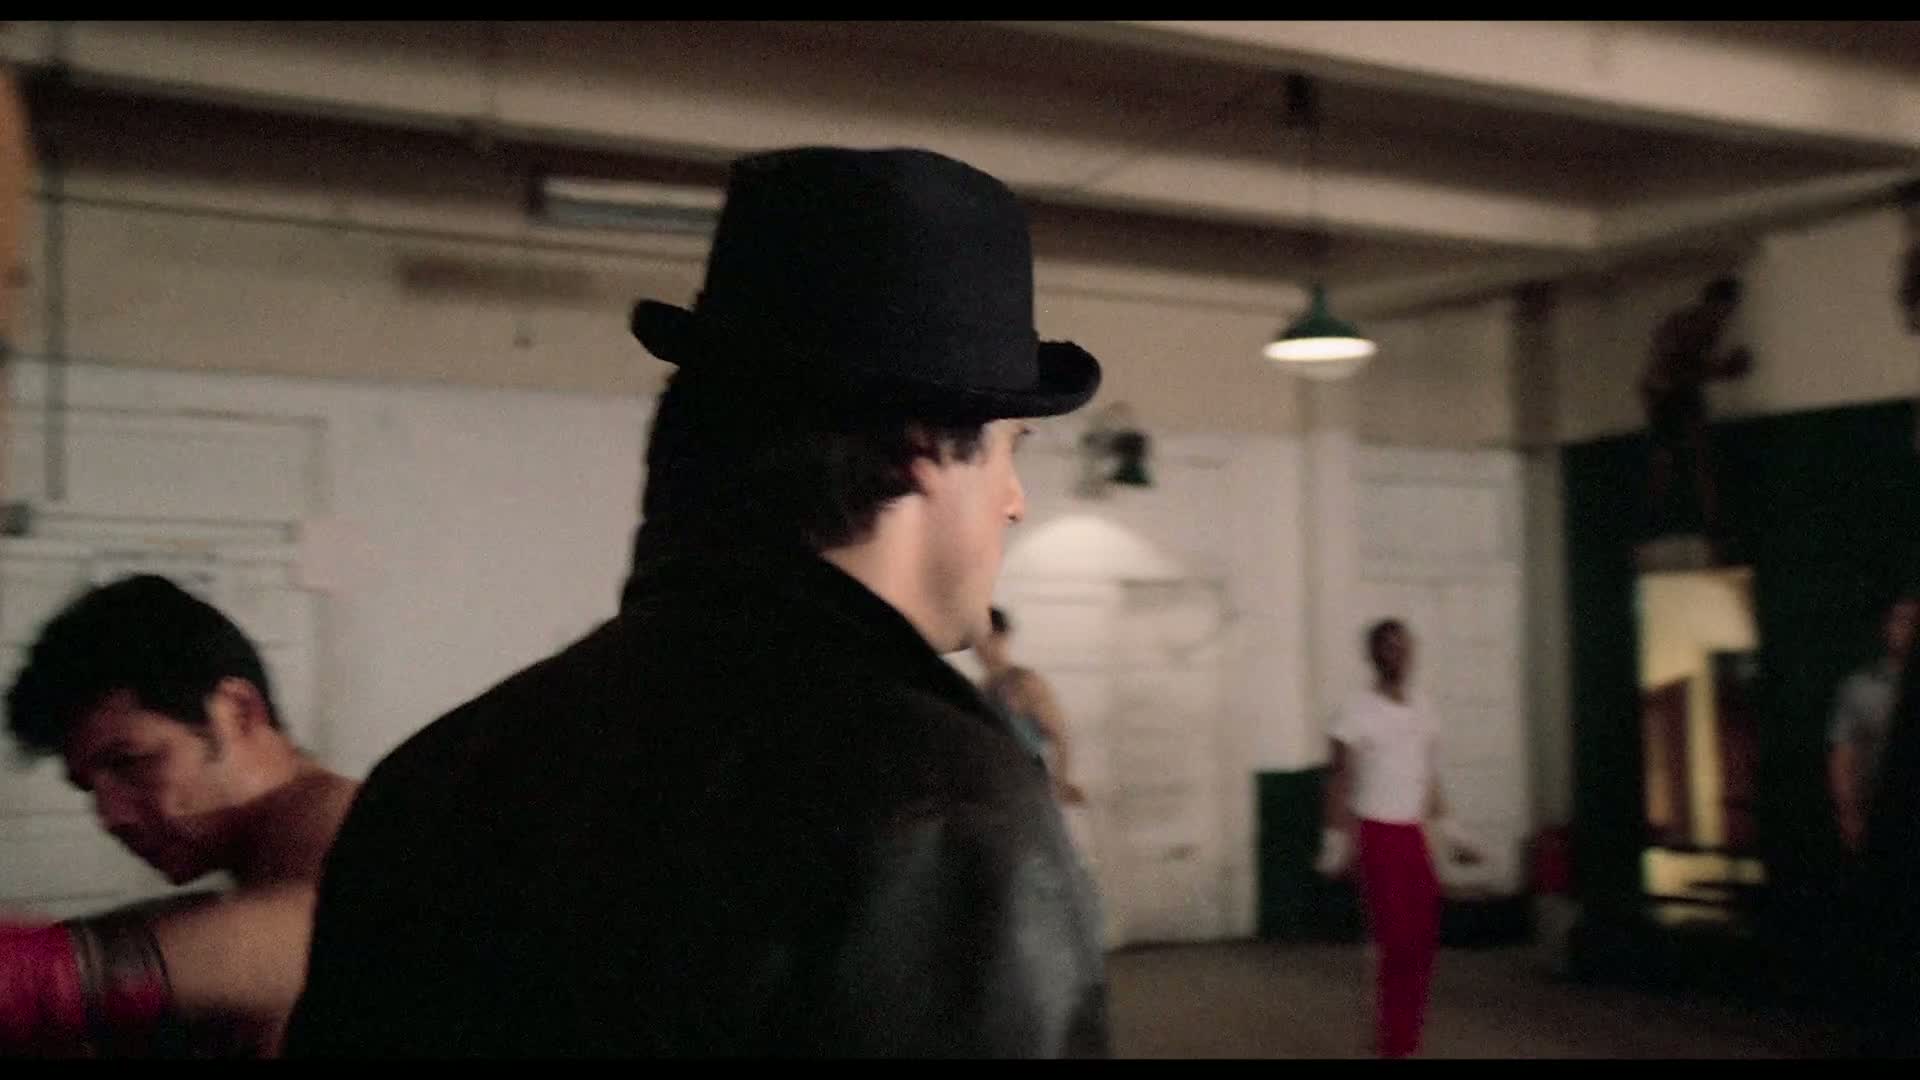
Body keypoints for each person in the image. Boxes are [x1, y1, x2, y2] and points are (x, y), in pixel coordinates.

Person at [284, 146, 1109, 1058]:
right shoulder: (945, 802)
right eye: (1011, 446)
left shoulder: (437, 776)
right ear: (923, 444)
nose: (1014, 501)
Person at [1, 574, 358, 1057]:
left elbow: (331, 934)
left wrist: (40, 973)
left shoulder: (351, 825)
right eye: (89, 788)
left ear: (237, 711)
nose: (109, 817)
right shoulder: (265, 869)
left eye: (129, 762)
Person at [1322, 619, 1480, 1059]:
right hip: (1376, 833)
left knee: (1423, 940)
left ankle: (1406, 1038)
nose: (1399, 654)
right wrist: (1335, 841)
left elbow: (1428, 777)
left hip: (1412, 835)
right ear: (1374, 655)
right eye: (1389, 647)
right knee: (1395, 942)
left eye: (1404, 646)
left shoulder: (1423, 708)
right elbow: (1338, 779)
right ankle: (1392, 1044)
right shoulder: (1354, 710)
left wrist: (1452, 832)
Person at [1639, 275, 1753, 541]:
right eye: (1725, 308)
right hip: (1665, 394)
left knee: (1696, 457)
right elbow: (1675, 369)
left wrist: (1721, 370)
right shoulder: (1690, 325)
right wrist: (1724, 369)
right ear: (1715, 304)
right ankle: (1656, 522)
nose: (1727, 316)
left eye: (1729, 310)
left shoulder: (1708, 328)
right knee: (1669, 459)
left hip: (1677, 391)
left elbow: (1691, 370)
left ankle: (1709, 522)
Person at [1828, 595, 1919, 856]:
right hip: (1880, 816)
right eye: (1902, 620)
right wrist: (1848, 815)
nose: (1910, 629)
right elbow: (1842, 756)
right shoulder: (1860, 688)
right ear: (1886, 626)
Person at [976, 606, 1086, 805]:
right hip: (995, 791)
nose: (982, 647)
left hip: (1025, 791)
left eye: (989, 637)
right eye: (978, 639)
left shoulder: (1025, 683)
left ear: (1003, 637)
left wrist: (1060, 783)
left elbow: (1060, 737)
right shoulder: (982, 688)